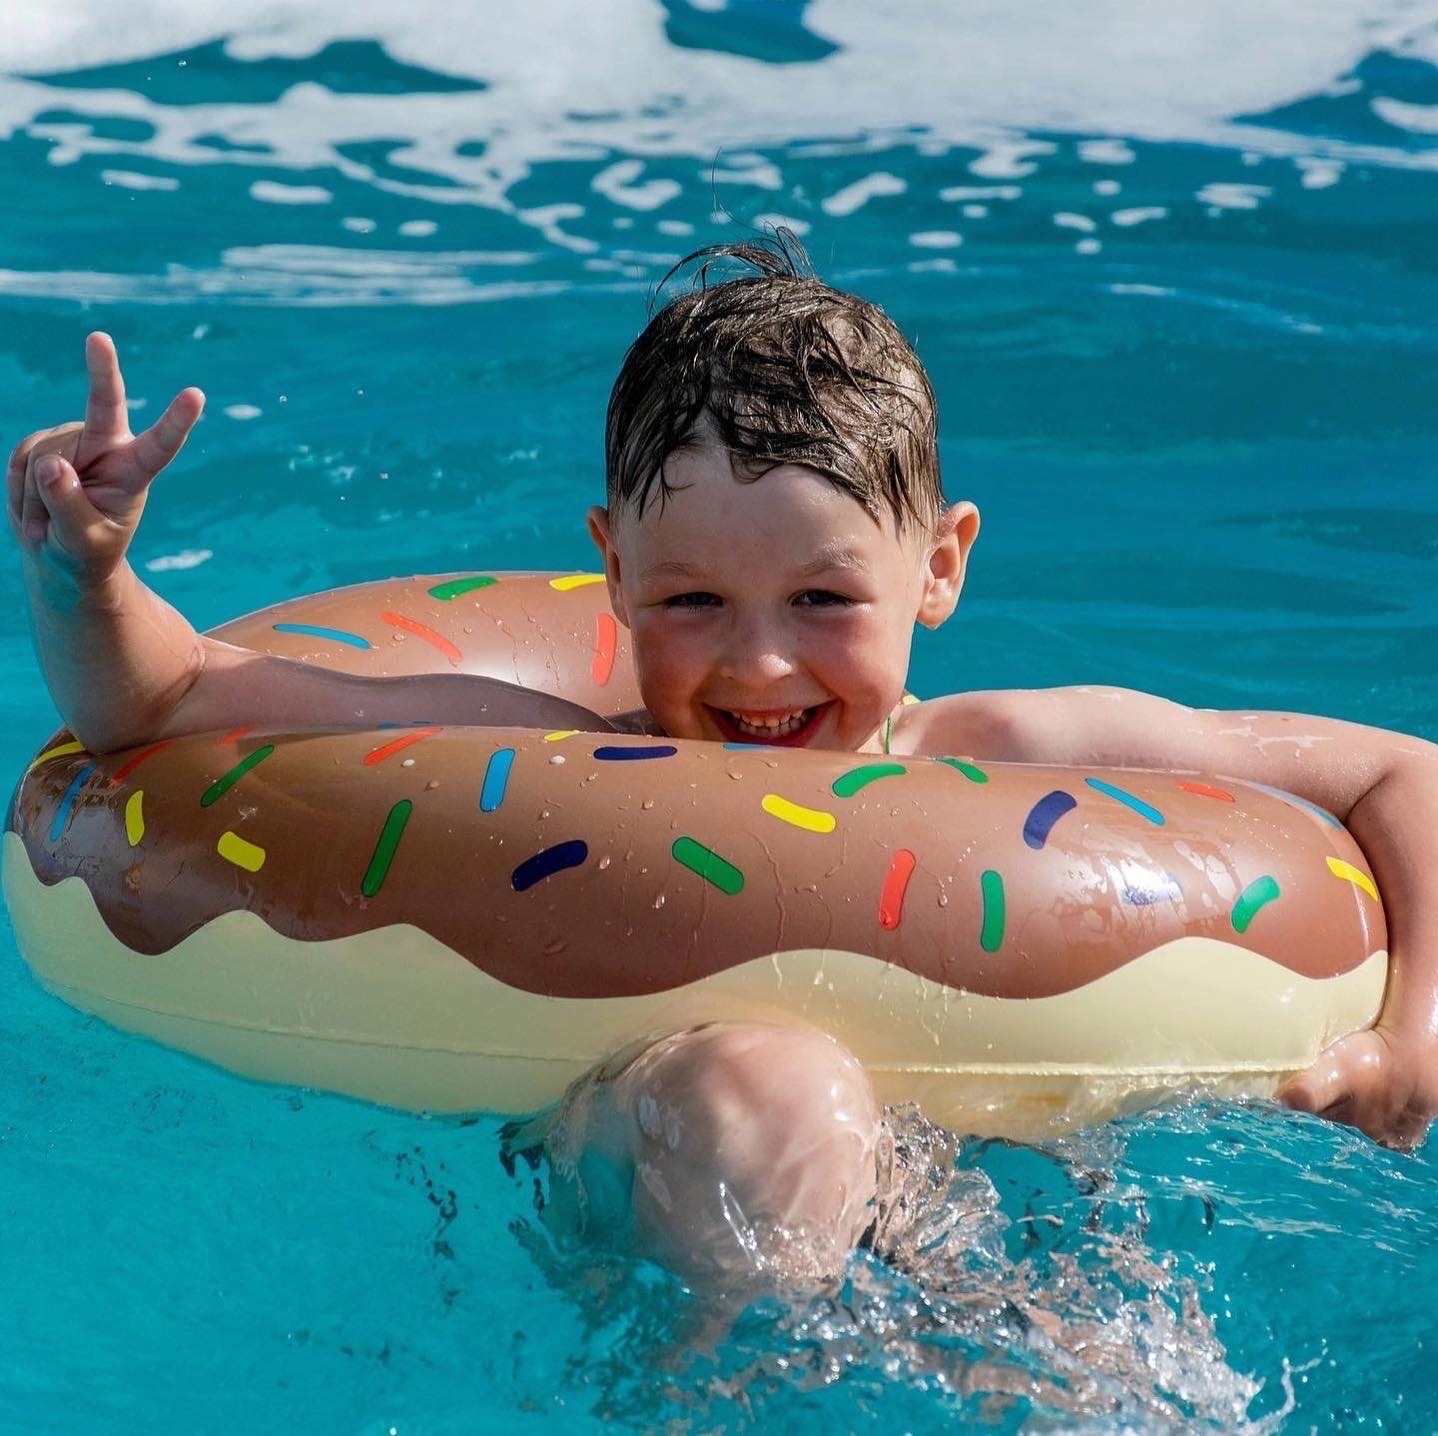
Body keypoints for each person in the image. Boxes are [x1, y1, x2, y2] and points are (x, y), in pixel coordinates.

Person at [9, 239, 1438, 1288]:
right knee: (768, 1091)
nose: (758, 667)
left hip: (975, 1183)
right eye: (691, 600)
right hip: (655, 1148)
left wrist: (1414, 1031)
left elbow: (1401, 776)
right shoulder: (542, 756)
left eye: (822, 600)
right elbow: (171, 703)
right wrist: (87, 576)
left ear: (939, 568)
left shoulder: (1011, 755)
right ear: (613, 571)